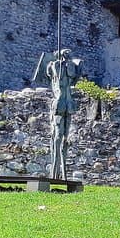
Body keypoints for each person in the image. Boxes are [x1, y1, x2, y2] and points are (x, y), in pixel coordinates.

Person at [46, 49, 79, 179]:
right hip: (59, 105)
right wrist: (59, 63)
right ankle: (54, 172)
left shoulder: (69, 66)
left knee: (66, 138)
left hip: (68, 104)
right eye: (65, 54)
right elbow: (57, 76)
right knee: (58, 136)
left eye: (68, 55)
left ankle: (64, 174)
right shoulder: (54, 66)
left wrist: (68, 63)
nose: (67, 56)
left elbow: (72, 75)